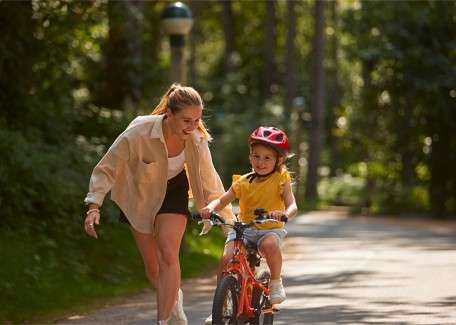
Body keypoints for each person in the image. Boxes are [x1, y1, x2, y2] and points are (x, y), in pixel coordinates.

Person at [83, 83, 234, 325]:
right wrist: (94, 205)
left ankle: (162, 322)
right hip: (138, 196)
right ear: (169, 114)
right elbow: (108, 167)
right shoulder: (139, 131)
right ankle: (174, 298)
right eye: (186, 120)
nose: (193, 126)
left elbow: (210, 180)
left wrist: (228, 222)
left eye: (197, 120)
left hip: (174, 190)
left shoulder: (196, 140)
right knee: (153, 271)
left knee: (168, 252)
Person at [200, 126, 298, 318]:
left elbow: (292, 204)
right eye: (256, 156)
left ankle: (276, 282)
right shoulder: (242, 182)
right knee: (227, 259)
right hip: (244, 228)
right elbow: (222, 199)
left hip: (269, 229)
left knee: (270, 245)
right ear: (250, 156)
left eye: (267, 158)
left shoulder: (281, 179)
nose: (260, 162)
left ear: (279, 160)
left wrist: (285, 214)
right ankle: (221, 305)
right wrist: (211, 209)